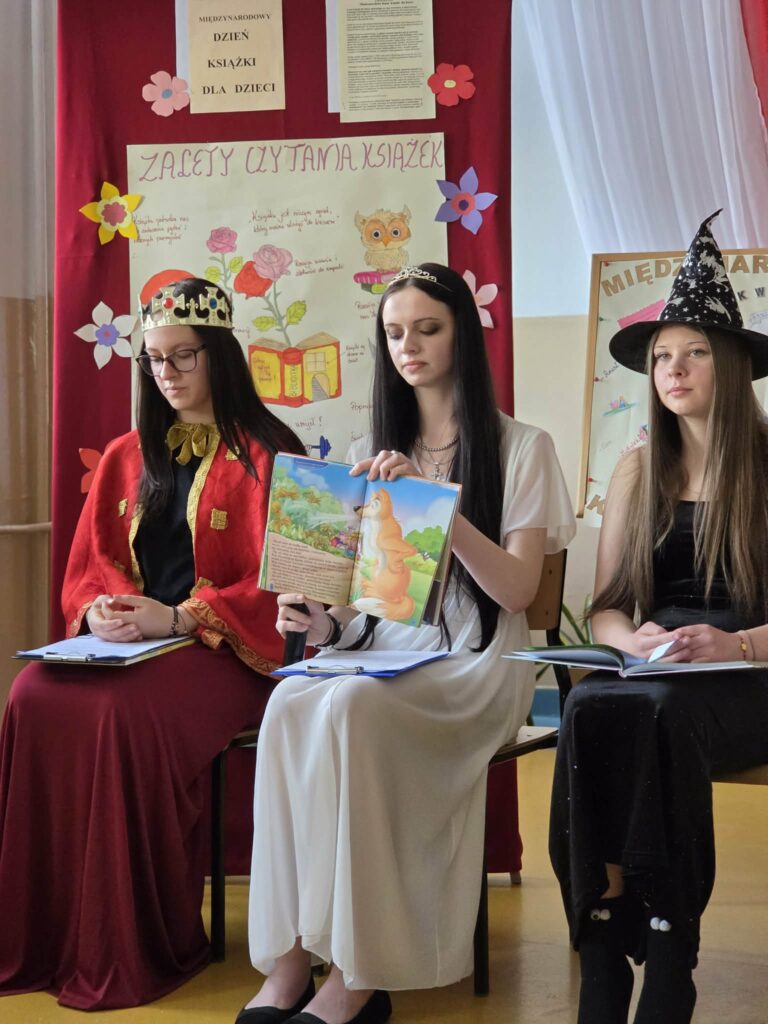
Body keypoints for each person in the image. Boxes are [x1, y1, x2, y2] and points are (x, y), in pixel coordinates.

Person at [238, 263, 576, 1024]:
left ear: (462, 336)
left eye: (428, 329)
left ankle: (358, 976)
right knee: (289, 702)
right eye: (394, 333)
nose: (409, 347)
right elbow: (365, 605)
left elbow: (517, 592)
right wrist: (317, 622)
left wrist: (437, 511)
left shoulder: (522, 447)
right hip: (387, 652)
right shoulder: (370, 447)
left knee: (353, 706)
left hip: (479, 662)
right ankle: (291, 958)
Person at [0, 277, 305, 1010]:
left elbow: (286, 585)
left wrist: (180, 619)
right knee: (32, 693)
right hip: (135, 648)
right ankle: (45, 938)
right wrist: (100, 611)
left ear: (220, 355)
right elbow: (91, 564)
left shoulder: (272, 453)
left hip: (228, 652)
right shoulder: (125, 454)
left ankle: (136, 941)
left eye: (182, 356)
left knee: (121, 714)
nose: (166, 373)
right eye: (154, 359)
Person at [549, 212, 768, 1024]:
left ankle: (672, 954)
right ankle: (604, 946)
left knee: (659, 715)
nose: (673, 369)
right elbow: (607, 608)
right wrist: (629, 640)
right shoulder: (638, 468)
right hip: (660, 666)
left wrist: (736, 642)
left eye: (695, 352)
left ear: (731, 364)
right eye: (662, 356)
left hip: (751, 669)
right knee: (587, 705)